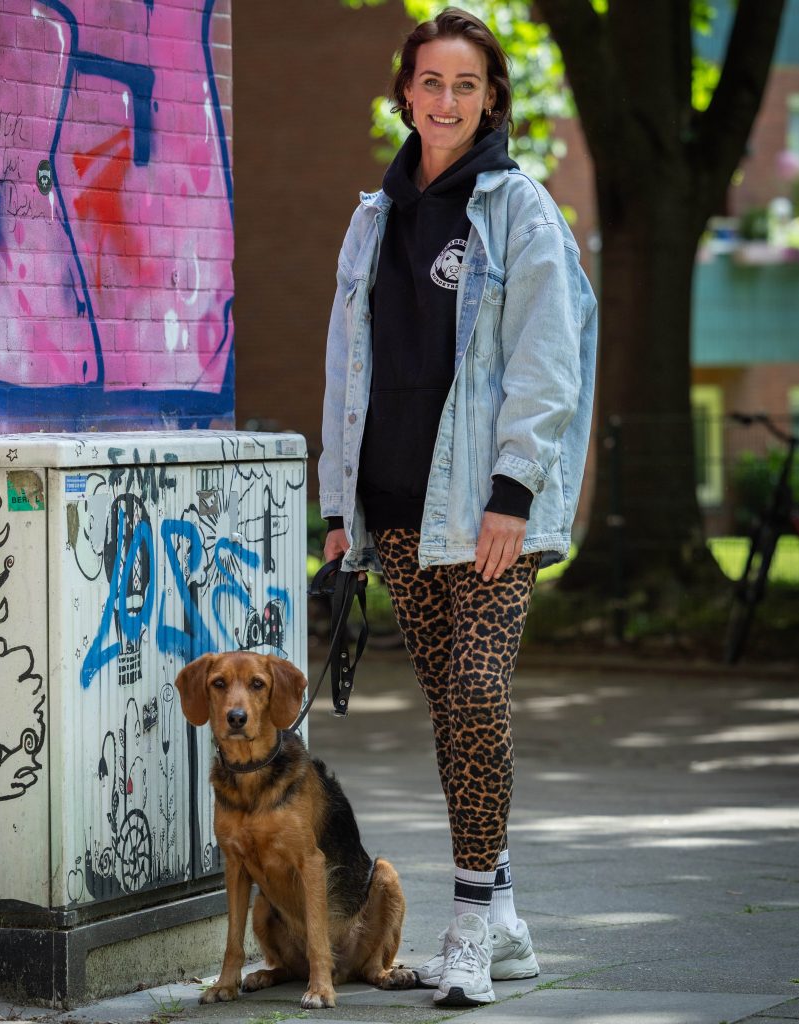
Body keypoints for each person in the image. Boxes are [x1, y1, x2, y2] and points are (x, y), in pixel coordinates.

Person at [318, 7, 597, 1009]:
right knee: (452, 718)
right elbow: (347, 368)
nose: (445, 101)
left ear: (490, 100)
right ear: (405, 92)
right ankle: (508, 920)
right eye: (430, 82)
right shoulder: (373, 217)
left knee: (477, 694)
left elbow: (548, 362)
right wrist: (337, 508)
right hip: (394, 509)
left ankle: (471, 923)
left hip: (484, 511)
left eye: (466, 85)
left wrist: (513, 494)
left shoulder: (518, 210)